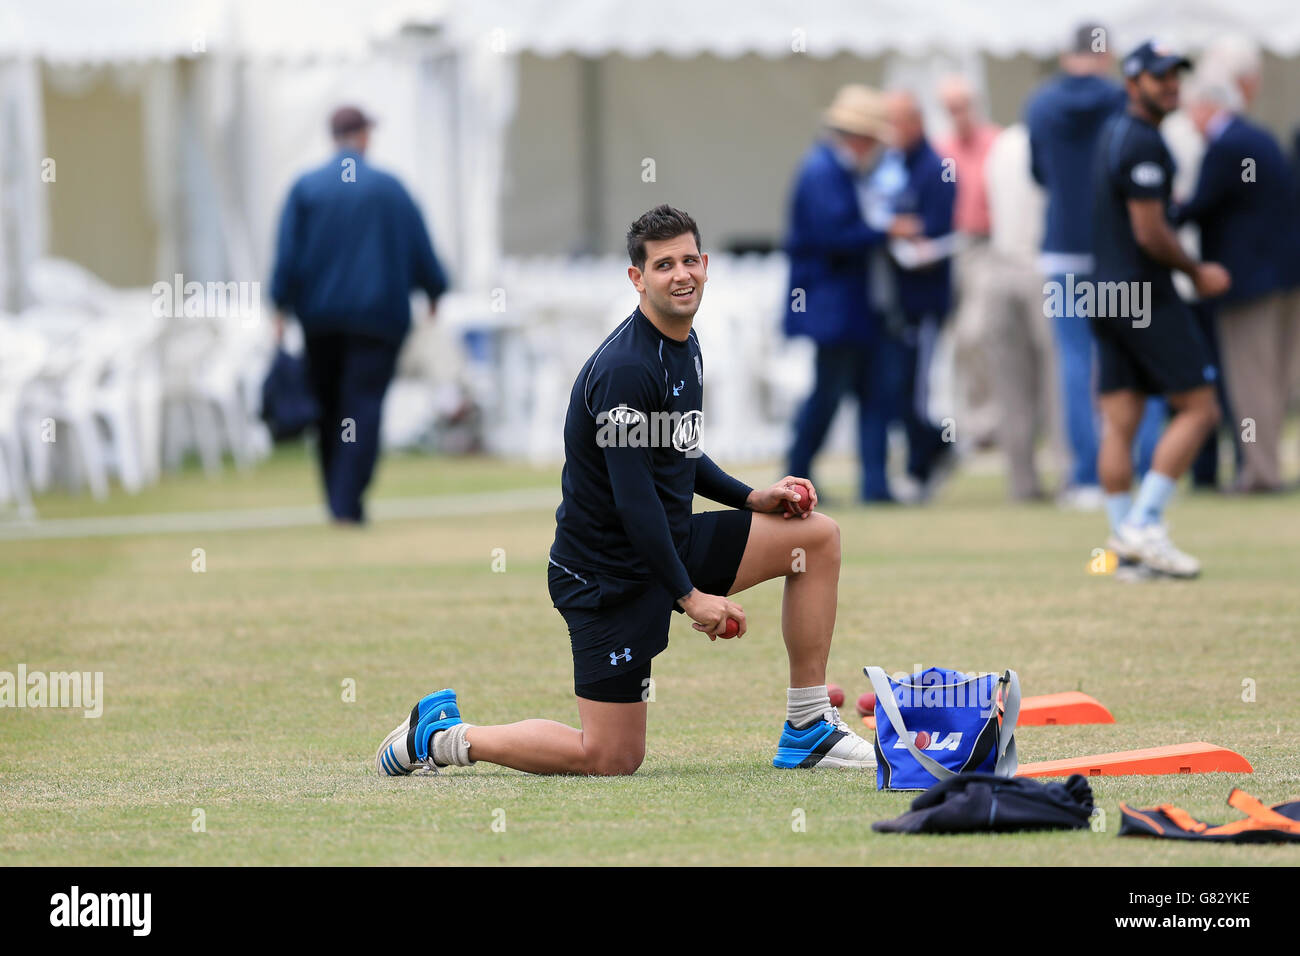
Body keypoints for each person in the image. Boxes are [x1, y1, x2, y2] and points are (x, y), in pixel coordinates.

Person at [375, 205, 876, 777]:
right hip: (604, 575)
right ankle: (440, 737)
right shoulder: (625, 370)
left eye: (690, 260)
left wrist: (749, 497)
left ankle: (809, 727)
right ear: (637, 278)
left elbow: (678, 450)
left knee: (815, 538)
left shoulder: (685, 343)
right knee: (611, 757)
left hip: (666, 543)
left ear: (707, 265)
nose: (681, 275)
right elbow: (633, 499)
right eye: (664, 265)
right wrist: (692, 597)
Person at [1090, 41, 1229, 577]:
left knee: (1120, 421)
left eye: (1176, 75)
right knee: (1200, 408)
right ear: (1133, 82)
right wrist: (1198, 272)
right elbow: (1150, 232)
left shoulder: (1113, 132)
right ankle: (1145, 525)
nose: (1171, 84)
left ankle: (1124, 550)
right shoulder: (1144, 141)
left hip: (1102, 291)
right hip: (1141, 293)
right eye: (1159, 76)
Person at [270, 106, 448, 524]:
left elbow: (286, 256)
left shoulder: (305, 188)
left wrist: (278, 304)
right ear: (364, 136)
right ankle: (347, 500)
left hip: (320, 319)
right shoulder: (390, 189)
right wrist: (434, 290)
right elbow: (422, 249)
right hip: (378, 320)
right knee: (362, 408)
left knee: (328, 407)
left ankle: (336, 495)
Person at [1025, 23, 1163, 509]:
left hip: (1063, 249)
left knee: (1075, 363)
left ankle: (1086, 475)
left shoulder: (1040, 104)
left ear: (1068, 53)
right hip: (1117, 250)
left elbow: (1039, 173)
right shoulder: (1121, 99)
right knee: (1139, 357)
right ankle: (1151, 467)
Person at [784, 85, 910, 502]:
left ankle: (875, 484)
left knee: (872, 392)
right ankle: (796, 474)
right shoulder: (823, 171)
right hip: (832, 307)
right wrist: (885, 231)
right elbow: (833, 235)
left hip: (853, 308)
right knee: (829, 394)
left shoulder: (839, 170)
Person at [1176, 74, 1298, 492]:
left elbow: (1199, 205)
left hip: (1248, 283)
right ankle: (1266, 467)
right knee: (1274, 379)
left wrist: (1160, 216)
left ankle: (1260, 474)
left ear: (1208, 106)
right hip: (1280, 277)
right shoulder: (1259, 138)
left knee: (1251, 384)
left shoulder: (1226, 146)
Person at [880, 89, 958, 497]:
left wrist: (906, 236)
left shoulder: (936, 168)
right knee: (896, 388)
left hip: (924, 300)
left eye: (897, 122)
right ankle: (934, 450)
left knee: (916, 390)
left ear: (915, 122)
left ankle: (923, 464)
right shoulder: (891, 165)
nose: (890, 132)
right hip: (894, 302)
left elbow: (938, 234)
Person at [981, 123, 1060, 500]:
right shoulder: (1053, 139)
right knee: (1058, 376)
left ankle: (1022, 481)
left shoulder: (1001, 144)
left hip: (999, 263)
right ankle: (1069, 474)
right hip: (1042, 267)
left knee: (1011, 383)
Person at [935, 75, 1003, 450]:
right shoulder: (941, 148)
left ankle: (986, 421)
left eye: (961, 107)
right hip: (951, 249)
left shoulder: (996, 143)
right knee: (958, 339)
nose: (957, 115)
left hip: (988, 247)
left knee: (976, 332)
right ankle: (969, 419)